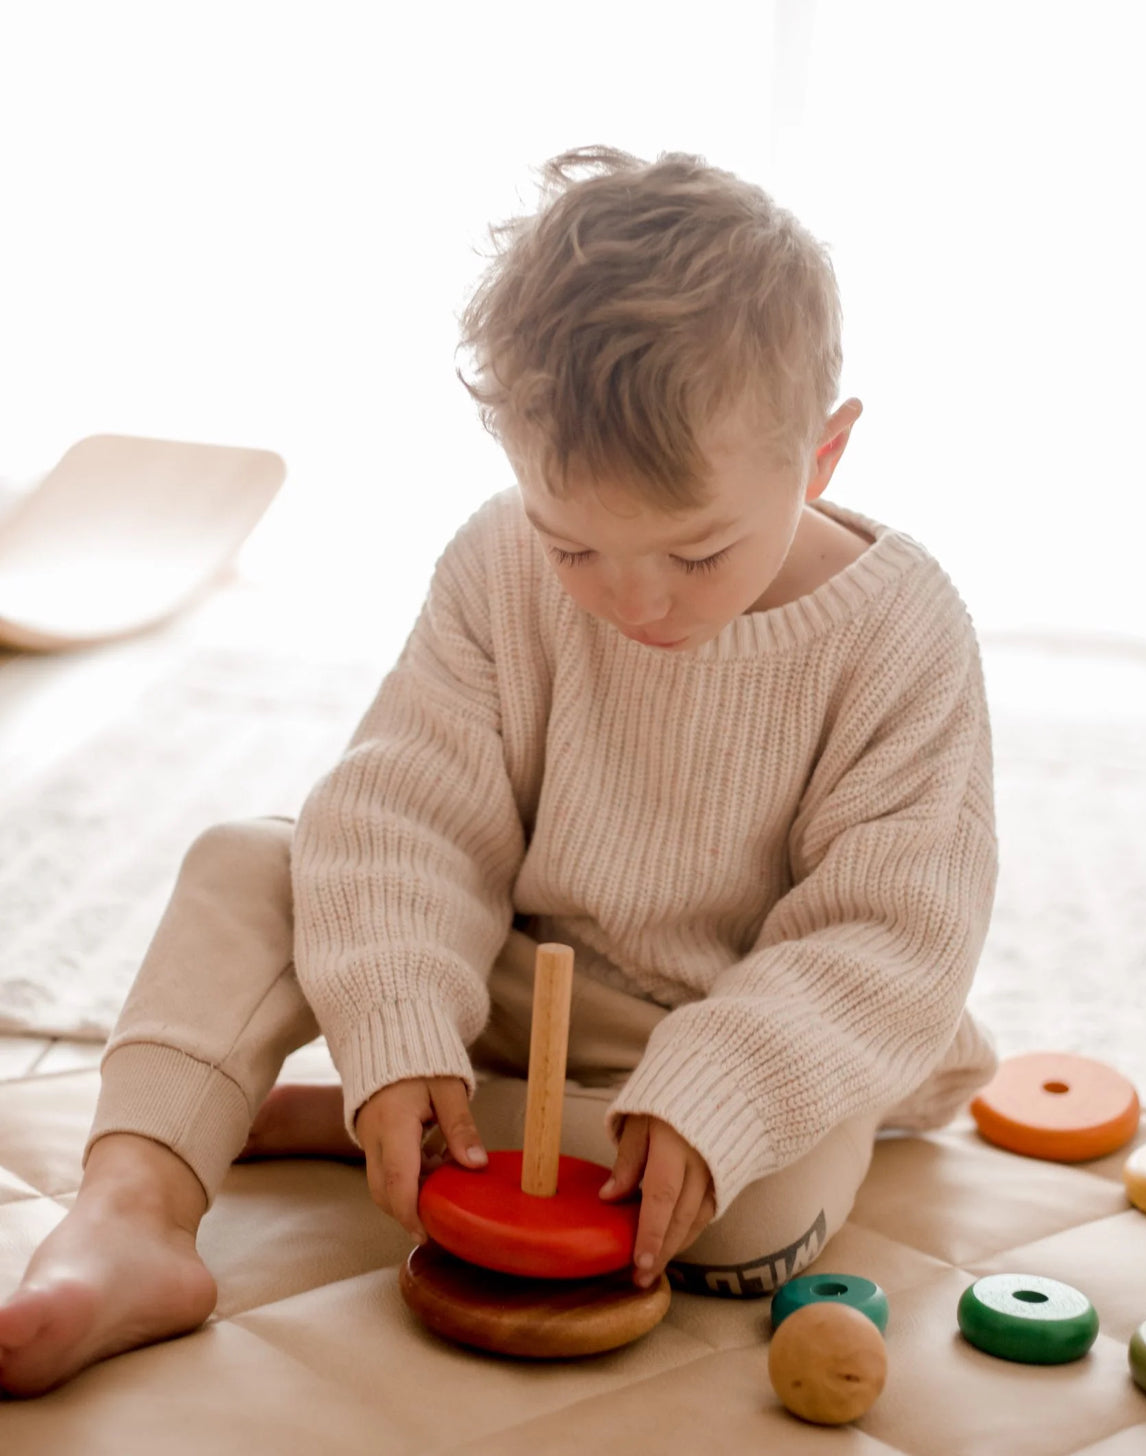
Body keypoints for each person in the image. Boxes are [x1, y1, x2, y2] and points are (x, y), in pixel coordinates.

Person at [0, 145, 997, 1398]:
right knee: (250, 862)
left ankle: (385, 1109)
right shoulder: (496, 562)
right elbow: (410, 813)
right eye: (573, 544)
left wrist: (713, 1098)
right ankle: (134, 1215)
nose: (633, 601)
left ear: (821, 459)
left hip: (733, 1020)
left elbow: (890, 933)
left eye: (696, 556)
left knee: (751, 1211)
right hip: (516, 974)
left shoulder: (902, 634)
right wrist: (404, 1011)